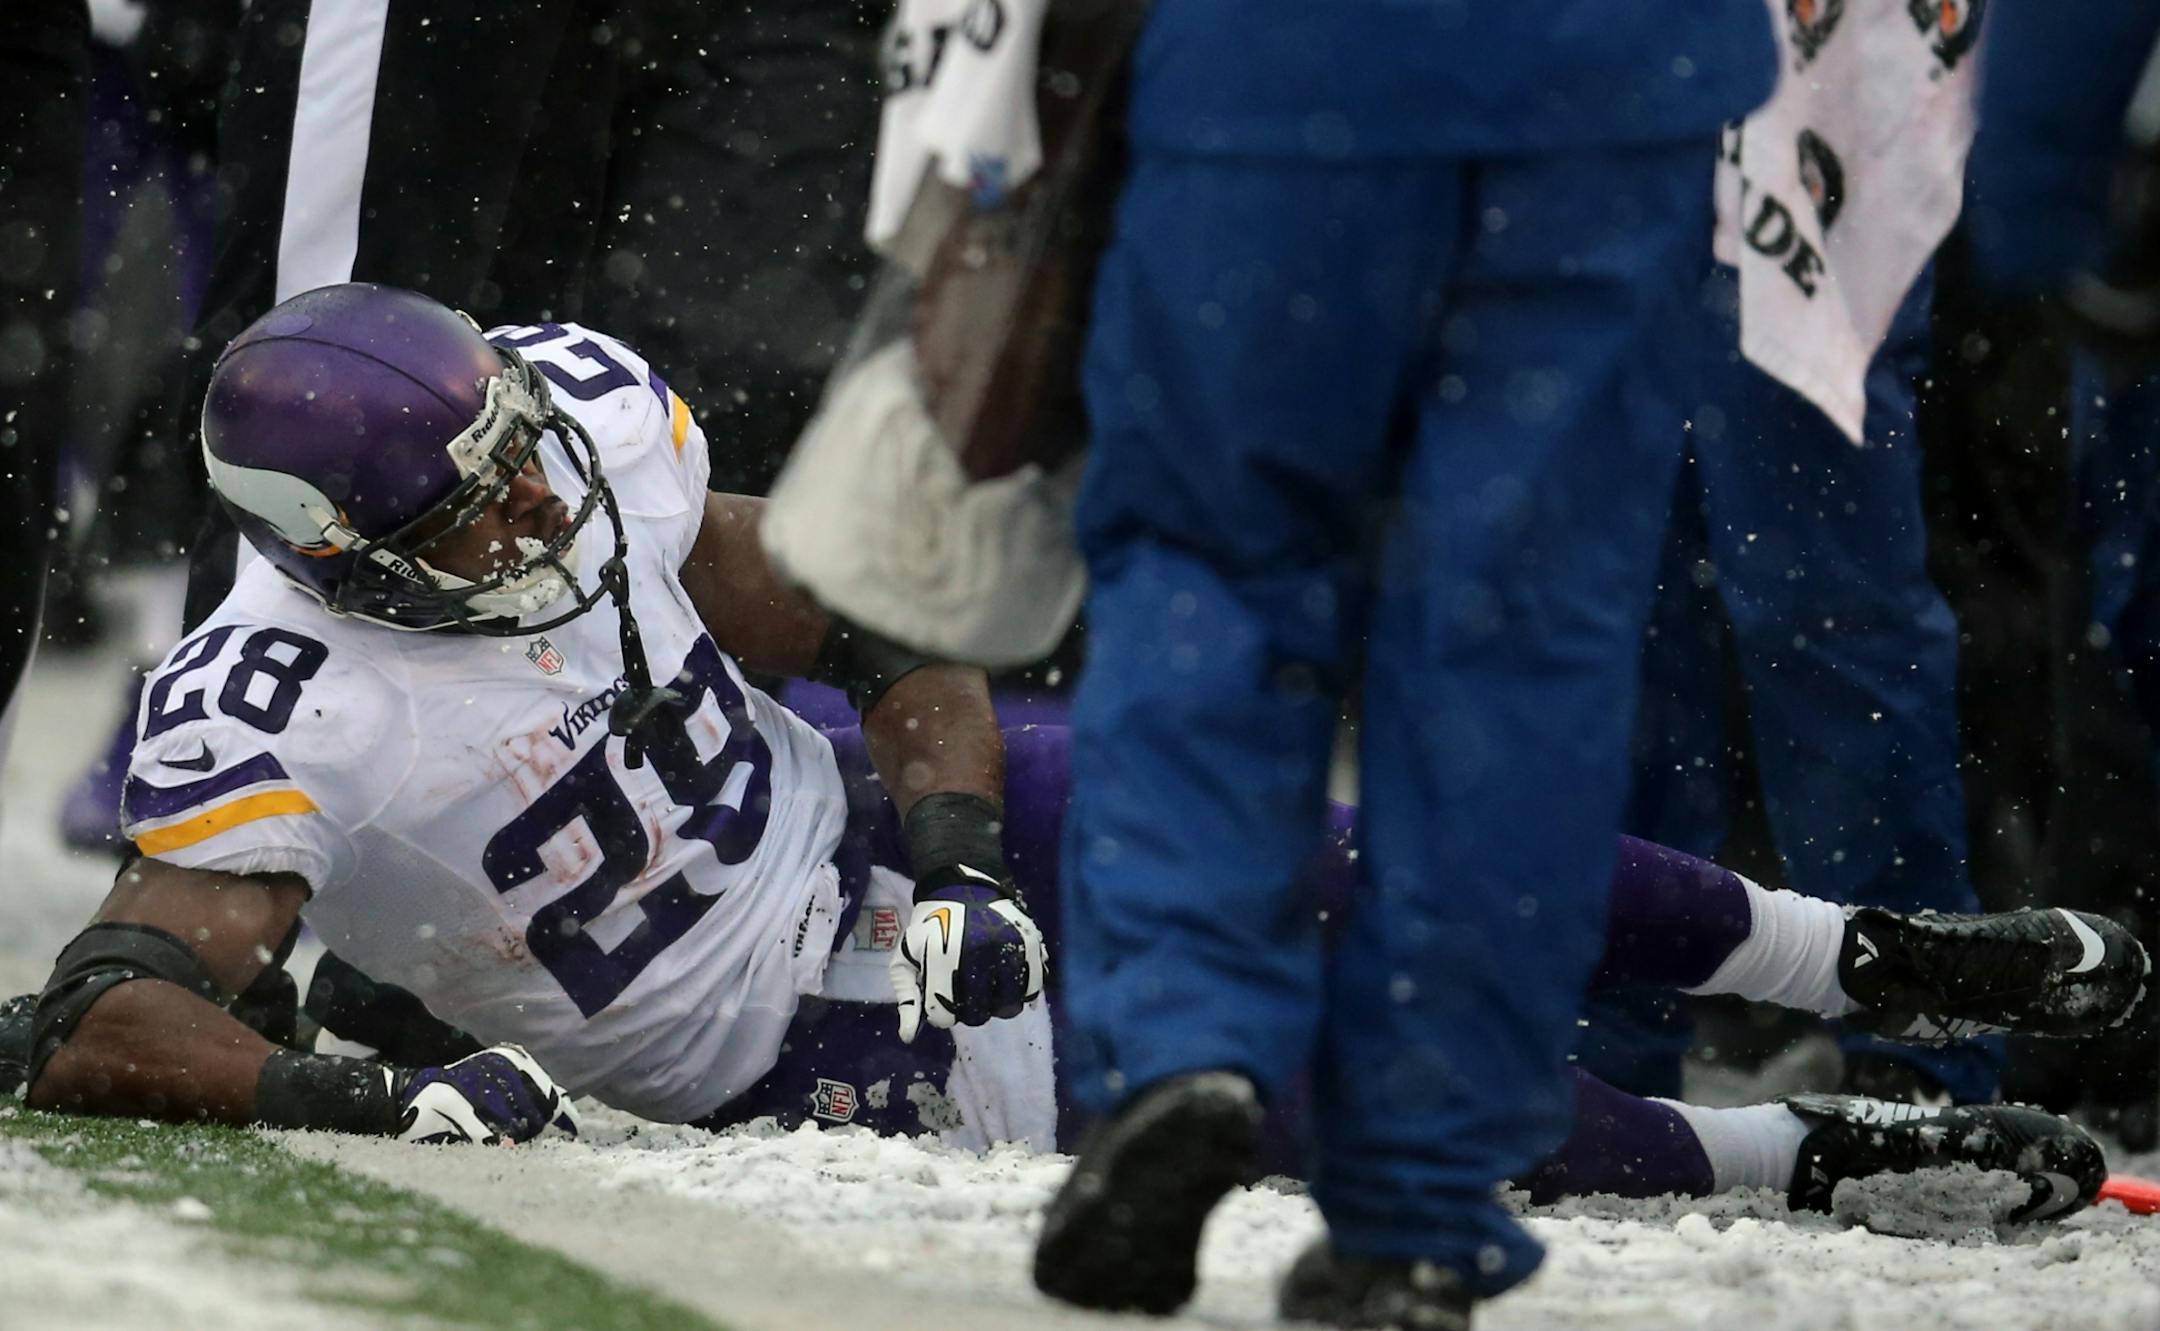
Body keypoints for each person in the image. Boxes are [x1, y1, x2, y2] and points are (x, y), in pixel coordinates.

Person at [15, 287, 2142, 1230]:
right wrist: (370, 1092)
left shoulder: (568, 426)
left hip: (851, 803)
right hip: (782, 1034)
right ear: (333, 563)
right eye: (470, 510)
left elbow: (855, 614)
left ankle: (1858, 959)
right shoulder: (289, 706)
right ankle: (1822, 1160)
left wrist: (947, 851)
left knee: (1343, 840)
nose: (537, 511)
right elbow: (113, 1012)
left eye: (514, 456)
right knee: (1326, 1079)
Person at [1028, 1, 1785, 1326]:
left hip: (1276, 69)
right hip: (1611, 81)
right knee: (1522, 642)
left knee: (1213, 565)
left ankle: (1184, 1039)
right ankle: (1425, 1200)